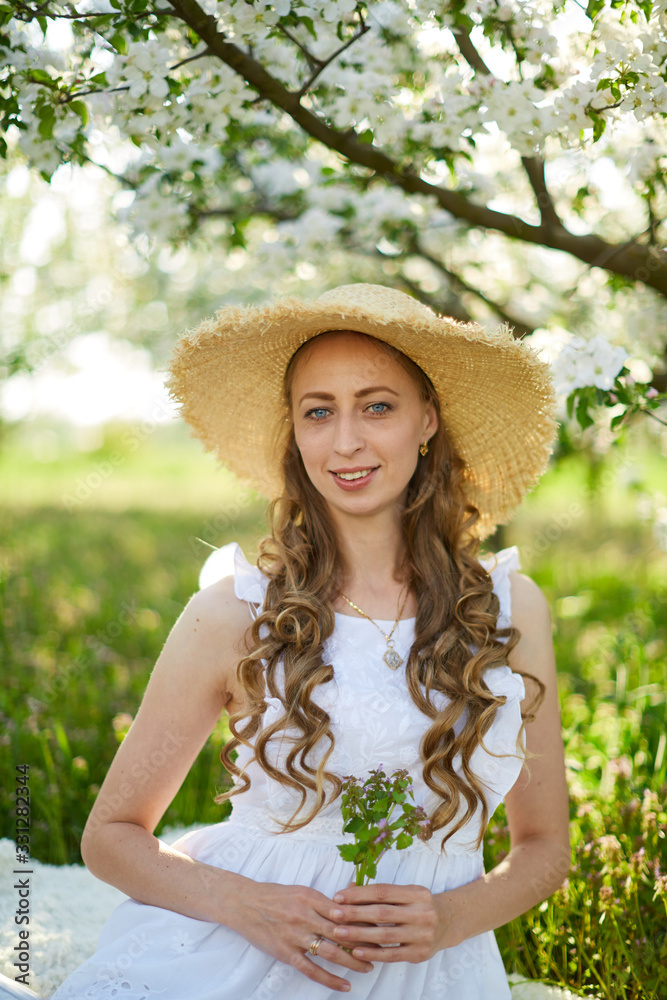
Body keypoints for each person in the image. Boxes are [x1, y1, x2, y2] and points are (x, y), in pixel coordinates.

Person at [49, 283, 570, 1000]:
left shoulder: (509, 609)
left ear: (427, 418)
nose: (346, 441)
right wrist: (244, 904)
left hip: (434, 976)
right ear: (293, 432)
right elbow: (110, 837)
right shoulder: (234, 614)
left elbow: (543, 849)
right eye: (318, 412)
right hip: (237, 960)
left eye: (376, 406)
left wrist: (451, 917)